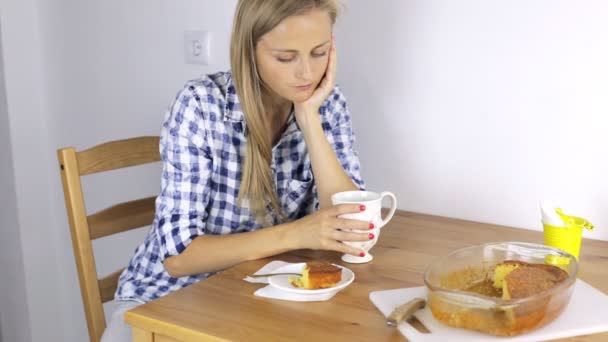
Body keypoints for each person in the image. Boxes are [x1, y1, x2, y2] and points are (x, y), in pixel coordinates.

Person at [101, 0, 372, 340]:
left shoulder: (327, 104)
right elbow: (178, 257)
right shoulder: (199, 105)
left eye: (318, 53)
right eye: (286, 57)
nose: (306, 72)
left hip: (256, 295)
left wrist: (309, 119)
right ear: (249, 51)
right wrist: (300, 233)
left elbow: (351, 228)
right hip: (164, 300)